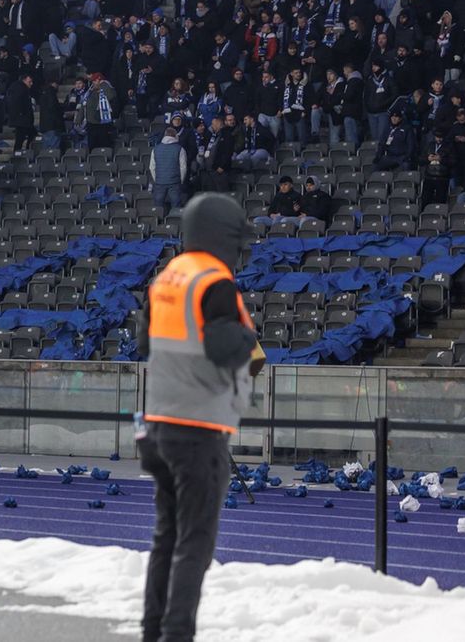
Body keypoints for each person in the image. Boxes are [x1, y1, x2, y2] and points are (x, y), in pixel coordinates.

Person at [138, 193, 263, 642]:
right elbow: (221, 345)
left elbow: (144, 346)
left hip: (157, 427)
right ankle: (176, 635)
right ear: (221, 236)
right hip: (200, 430)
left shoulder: (167, 278)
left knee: (166, 537)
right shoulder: (216, 282)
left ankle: (153, 631)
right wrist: (249, 334)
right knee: (195, 544)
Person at [149, 126, 188, 215]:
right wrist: (180, 180)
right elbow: (183, 167)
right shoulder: (180, 149)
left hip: (159, 182)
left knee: (158, 207)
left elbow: (152, 167)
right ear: (175, 136)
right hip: (174, 182)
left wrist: (157, 179)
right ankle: (175, 225)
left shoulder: (156, 149)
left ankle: (158, 224)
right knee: (176, 206)